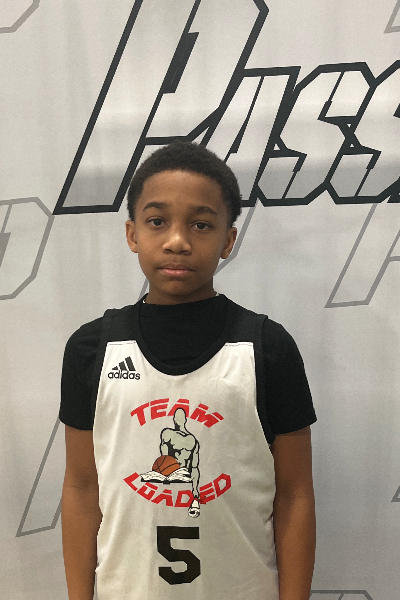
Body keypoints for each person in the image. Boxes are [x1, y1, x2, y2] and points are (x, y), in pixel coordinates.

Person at [60, 141, 317, 600]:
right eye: (157, 221)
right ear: (132, 234)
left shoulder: (267, 348)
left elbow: (295, 495)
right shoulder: (91, 348)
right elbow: (81, 489)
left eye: (200, 224)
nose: (177, 241)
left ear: (228, 241)